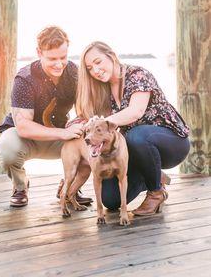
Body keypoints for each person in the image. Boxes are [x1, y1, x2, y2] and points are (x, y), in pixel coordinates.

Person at [75, 41, 190, 216]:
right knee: (111, 200)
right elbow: (87, 119)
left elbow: (136, 112)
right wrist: (72, 128)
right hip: (138, 150)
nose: (95, 70)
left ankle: (156, 193)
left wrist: (104, 121)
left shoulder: (138, 75)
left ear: (111, 56)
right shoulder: (103, 89)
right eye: (90, 68)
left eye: (98, 62)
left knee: (136, 136)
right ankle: (154, 174)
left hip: (172, 143)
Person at [0, 26, 92, 207]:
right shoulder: (24, 78)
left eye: (63, 57)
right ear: (39, 52)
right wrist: (63, 134)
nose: (59, 64)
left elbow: (86, 108)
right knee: (7, 147)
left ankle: (69, 187)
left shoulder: (74, 73)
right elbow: (23, 126)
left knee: (90, 140)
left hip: (59, 134)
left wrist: (80, 123)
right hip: (25, 137)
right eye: (52, 58)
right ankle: (20, 186)